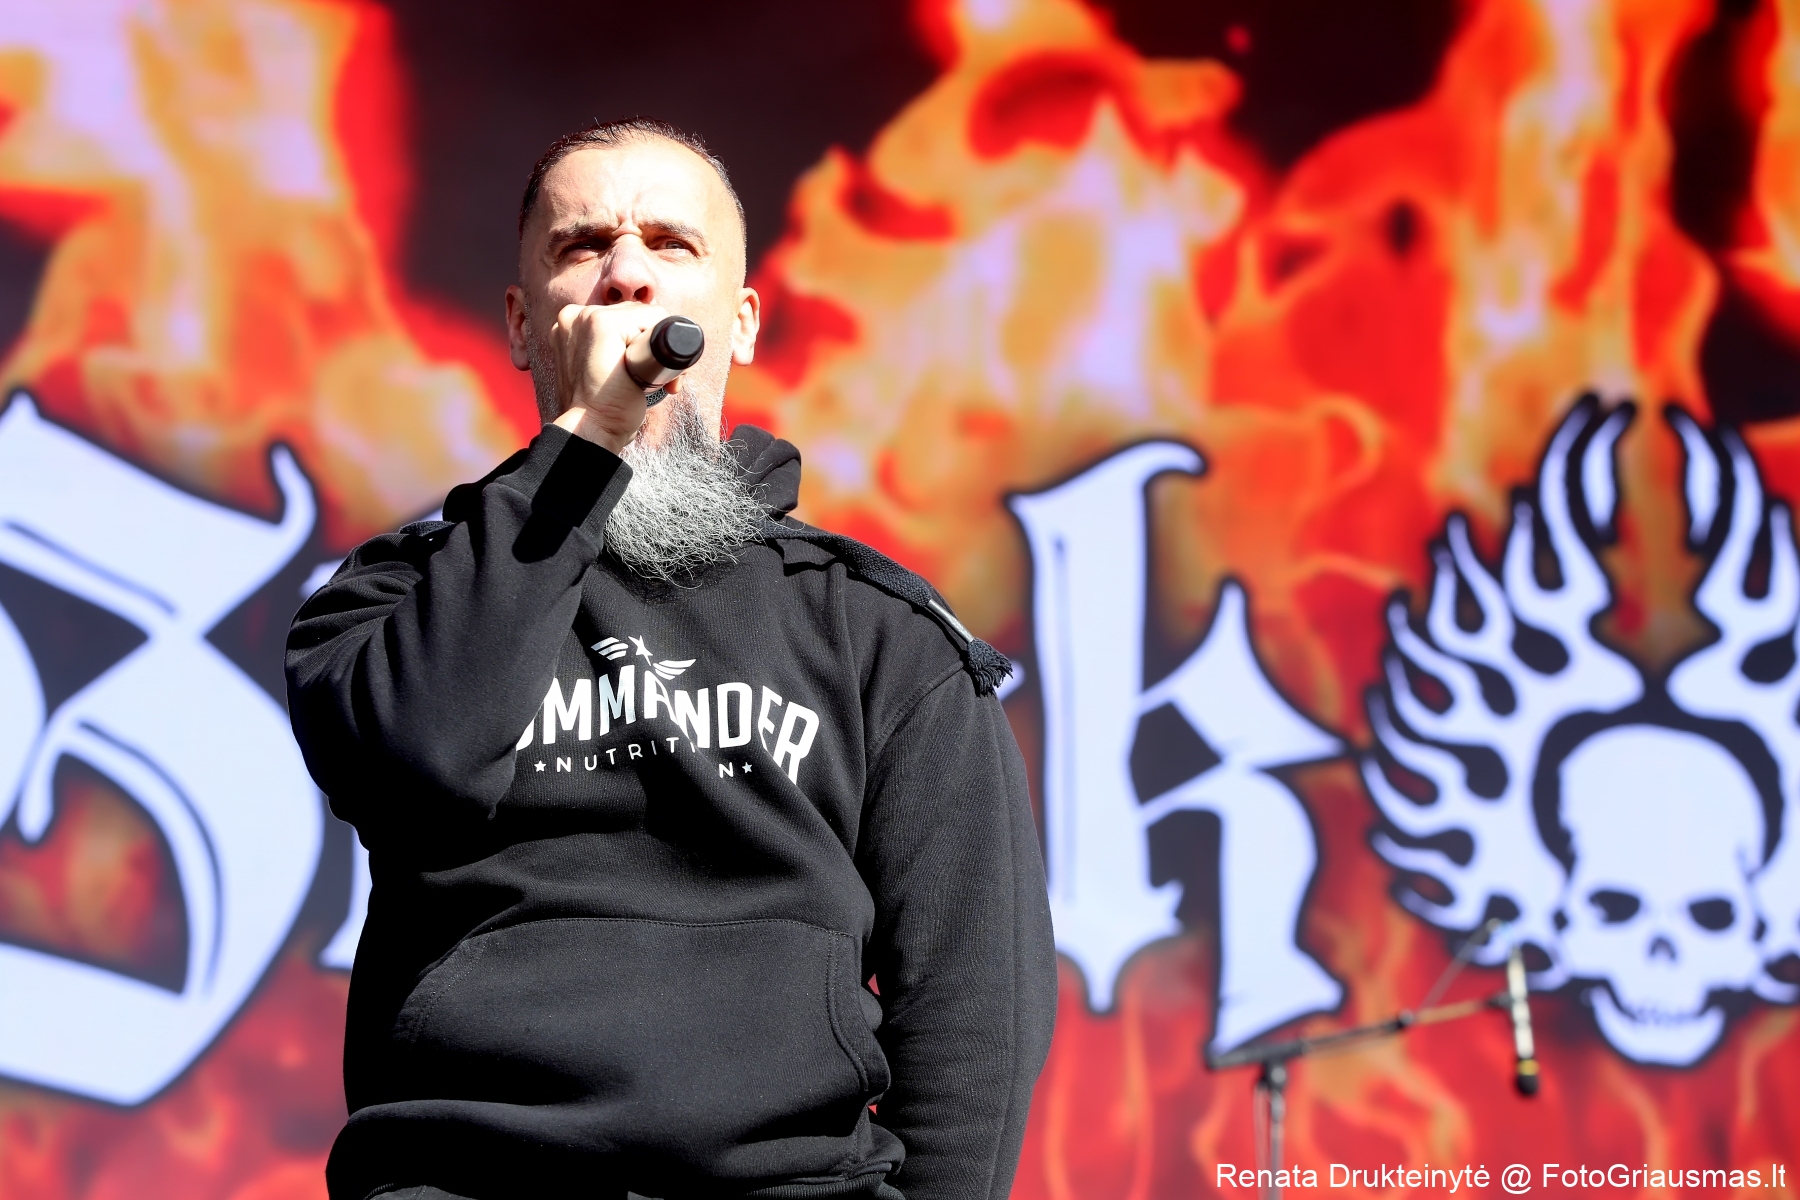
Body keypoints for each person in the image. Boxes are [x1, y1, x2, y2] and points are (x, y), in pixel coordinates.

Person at [285, 119, 1057, 1200]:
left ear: (739, 323)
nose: (627, 275)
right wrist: (584, 446)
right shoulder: (398, 598)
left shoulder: (878, 631)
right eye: (581, 246)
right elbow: (417, 763)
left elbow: (975, 1011)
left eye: (671, 245)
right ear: (524, 326)